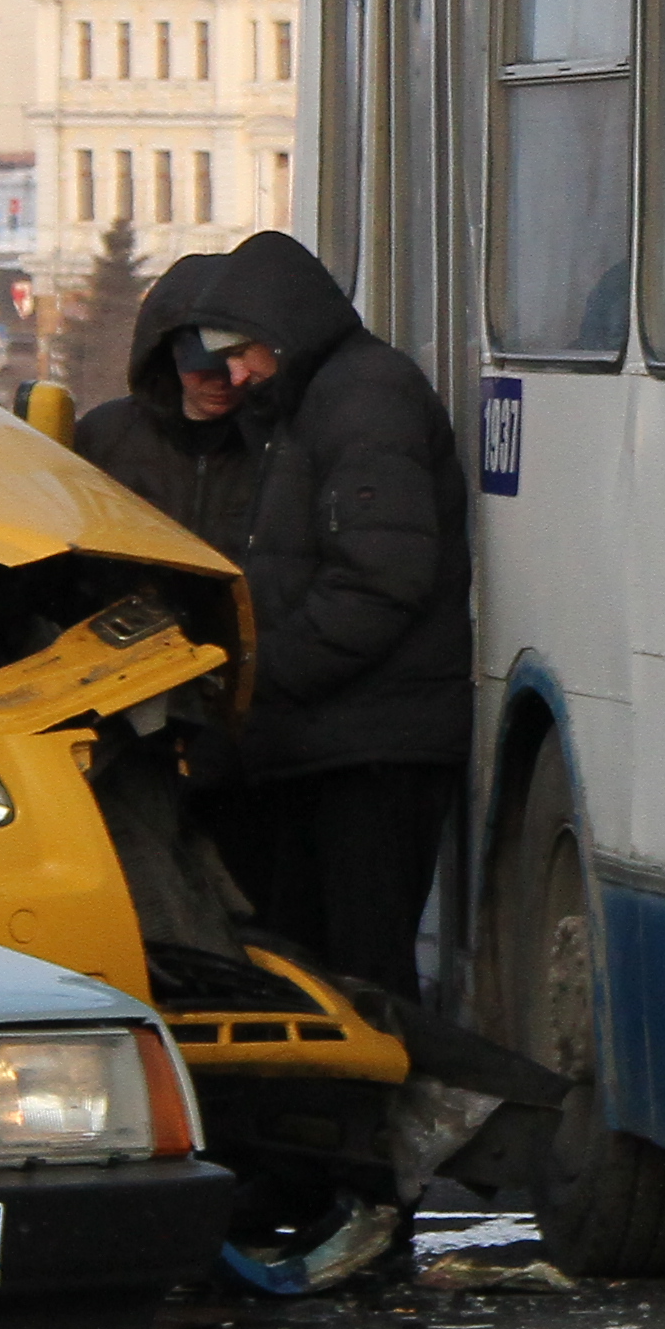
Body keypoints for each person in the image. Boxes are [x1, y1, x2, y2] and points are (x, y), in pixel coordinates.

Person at [192, 229, 473, 986]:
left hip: (374, 745)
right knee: (314, 967)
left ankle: (385, 1105)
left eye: (244, 350)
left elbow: (381, 578)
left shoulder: (364, 397)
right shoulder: (304, 406)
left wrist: (262, 673)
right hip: (332, 741)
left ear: (283, 329)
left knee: (363, 970)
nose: (237, 373)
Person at [68, 250, 259, 556]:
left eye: (233, 366)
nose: (222, 382)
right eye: (203, 370)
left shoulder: (274, 445)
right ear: (170, 358)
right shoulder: (107, 436)